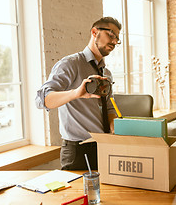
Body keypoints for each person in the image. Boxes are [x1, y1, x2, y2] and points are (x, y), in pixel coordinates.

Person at [35, 17, 122, 170]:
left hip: (104, 147)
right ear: (95, 32)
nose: (115, 42)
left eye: (117, 39)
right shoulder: (70, 64)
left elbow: (108, 106)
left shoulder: (106, 73)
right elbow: (42, 99)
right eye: (111, 35)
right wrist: (76, 93)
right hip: (78, 151)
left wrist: (114, 124)